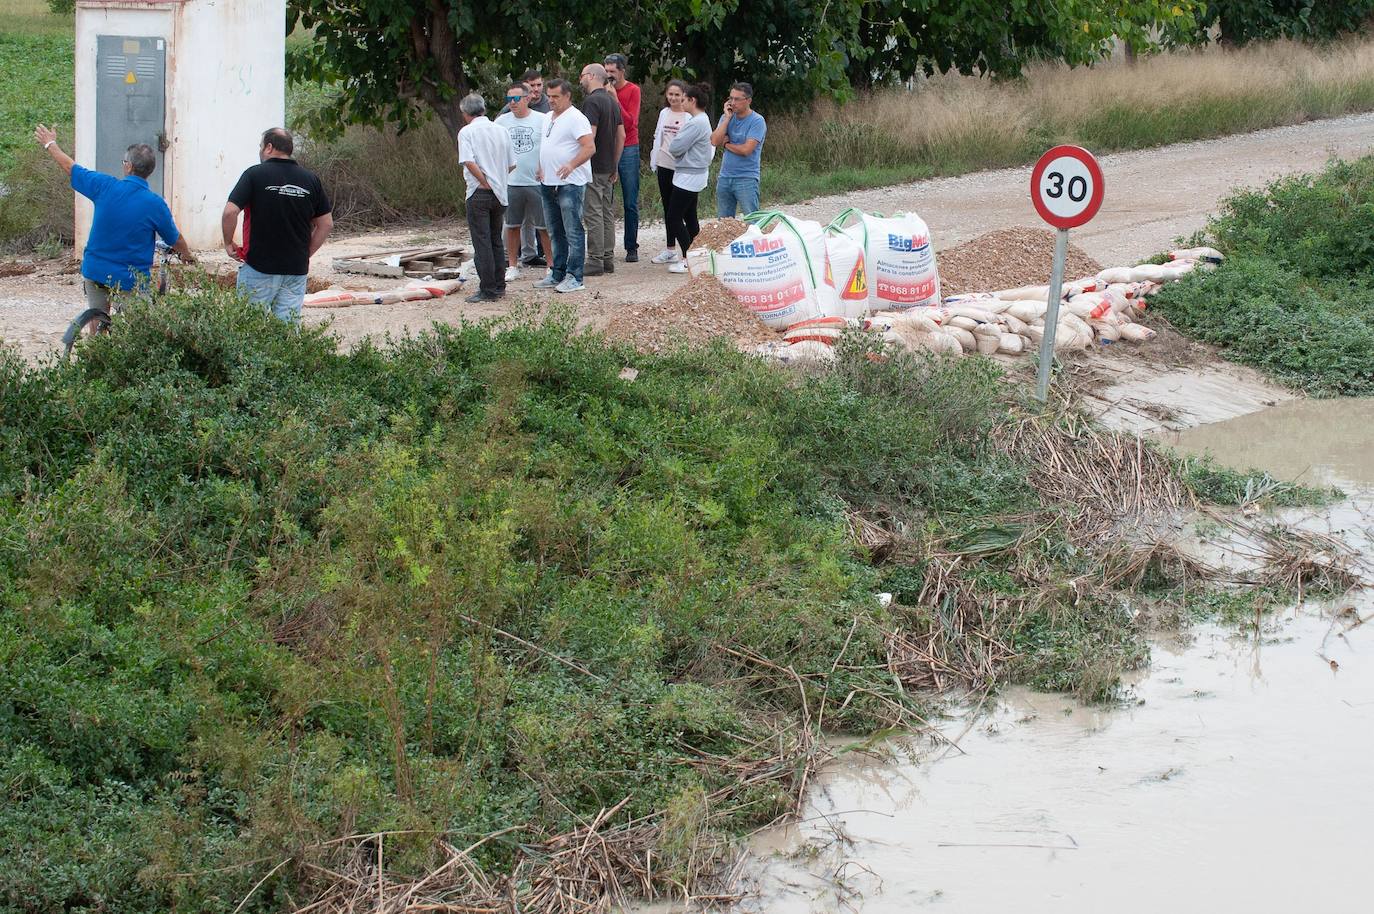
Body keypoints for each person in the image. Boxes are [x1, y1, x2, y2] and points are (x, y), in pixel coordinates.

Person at [34, 124, 194, 312]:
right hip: (129, 279)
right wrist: (187, 255)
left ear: (128, 166)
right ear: (149, 171)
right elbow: (176, 240)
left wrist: (50, 143)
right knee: (140, 325)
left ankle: (96, 332)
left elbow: (71, 167)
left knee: (97, 314)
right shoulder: (155, 204)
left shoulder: (104, 186)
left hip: (94, 269)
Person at [222, 128, 333, 322]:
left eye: (261, 146)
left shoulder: (254, 175)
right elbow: (326, 224)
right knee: (287, 333)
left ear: (269, 147)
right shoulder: (311, 180)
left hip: (259, 267)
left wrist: (227, 242)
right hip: (295, 270)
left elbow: (230, 212)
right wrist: (305, 253)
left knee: (250, 328)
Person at [536, 78, 595, 294]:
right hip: (548, 181)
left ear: (567, 96)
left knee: (573, 230)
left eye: (555, 97)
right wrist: (539, 166)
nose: (551, 101)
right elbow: (546, 145)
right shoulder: (547, 118)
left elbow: (589, 147)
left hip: (570, 183)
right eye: (549, 97)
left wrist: (571, 164)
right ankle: (557, 272)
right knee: (555, 230)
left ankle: (575, 276)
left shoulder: (576, 118)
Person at [457, 93, 516, 303]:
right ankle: (499, 285)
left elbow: (468, 161)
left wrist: (484, 180)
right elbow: (512, 163)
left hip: (478, 192)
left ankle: (488, 289)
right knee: (496, 241)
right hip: (500, 192)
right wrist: (497, 178)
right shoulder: (501, 130)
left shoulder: (467, 132)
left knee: (482, 242)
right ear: (483, 108)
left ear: (465, 113)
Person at [494, 81, 553, 285]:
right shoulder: (501, 121)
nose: (512, 102)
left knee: (543, 226)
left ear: (528, 98)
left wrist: (544, 167)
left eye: (516, 98)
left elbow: (550, 145)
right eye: (509, 99)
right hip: (512, 181)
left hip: (536, 181)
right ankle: (512, 265)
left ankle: (551, 265)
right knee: (512, 225)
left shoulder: (542, 120)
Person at [577, 63, 624, 278]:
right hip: (608, 166)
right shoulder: (612, 102)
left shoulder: (592, 101)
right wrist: (615, 164)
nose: (581, 79)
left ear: (593, 76)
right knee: (606, 212)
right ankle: (607, 258)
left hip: (594, 165)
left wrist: (578, 161)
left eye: (583, 75)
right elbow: (621, 136)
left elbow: (590, 136)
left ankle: (595, 259)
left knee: (593, 212)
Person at [664, 84, 714, 273]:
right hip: (695, 173)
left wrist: (678, 146)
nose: (681, 102)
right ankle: (699, 255)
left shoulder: (695, 123)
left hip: (689, 175)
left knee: (673, 217)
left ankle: (688, 257)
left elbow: (675, 147)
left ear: (692, 100)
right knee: (690, 216)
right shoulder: (702, 119)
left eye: (684, 99)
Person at [603, 53, 642, 262]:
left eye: (612, 72)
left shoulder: (632, 90)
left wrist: (615, 99)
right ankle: (605, 247)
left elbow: (630, 123)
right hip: (606, 147)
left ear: (621, 71)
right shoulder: (601, 90)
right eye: (606, 71)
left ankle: (631, 246)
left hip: (628, 146)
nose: (609, 76)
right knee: (604, 198)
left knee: (630, 200)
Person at [648, 81, 690, 265]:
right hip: (663, 164)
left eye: (677, 94)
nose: (673, 98)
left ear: (684, 95)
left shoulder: (689, 116)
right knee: (667, 207)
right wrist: (654, 160)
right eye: (670, 94)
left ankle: (687, 252)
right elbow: (659, 136)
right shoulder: (664, 113)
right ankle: (670, 248)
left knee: (680, 211)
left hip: (681, 168)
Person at [711, 82, 767, 219]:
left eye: (737, 99)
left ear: (748, 101)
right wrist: (727, 118)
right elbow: (714, 141)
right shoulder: (727, 117)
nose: (733, 102)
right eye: (731, 98)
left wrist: (727, 145)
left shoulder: (757, 121)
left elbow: (746, 150)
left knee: (753, 219)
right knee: (724, 222)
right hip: (725, 176)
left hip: (746, 177)